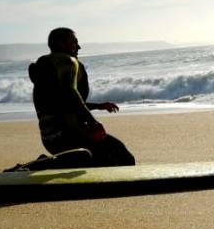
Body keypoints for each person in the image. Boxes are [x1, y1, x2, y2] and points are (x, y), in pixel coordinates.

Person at [28, 27, 135, 167]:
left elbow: (64, 103)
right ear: (60, 44)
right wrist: (92, 122)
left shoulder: (45, 66)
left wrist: (98, 106)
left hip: (50, 139)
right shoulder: (67, 62)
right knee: (123, 156)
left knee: (95, 161)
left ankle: (48, 163)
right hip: (70, 135)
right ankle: (43, 165)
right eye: (74, 42)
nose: (78, 46)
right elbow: (70, 93)